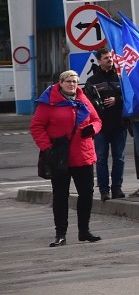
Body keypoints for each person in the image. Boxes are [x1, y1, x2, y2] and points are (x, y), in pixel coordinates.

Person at [30, 70, 103, 246]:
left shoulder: (82, 98)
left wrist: (92, 128)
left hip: (83, 154)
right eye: (69, 81)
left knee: (86, 194)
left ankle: (84, 231)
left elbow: (97, 119)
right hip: (59, 156)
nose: (72, 85)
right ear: (60, 83)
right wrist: (47, 148)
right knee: (61, 196)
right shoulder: (48, 103)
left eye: (75, 81)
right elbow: (36, 127)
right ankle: (60, 234)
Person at [84, 48, 126, 201]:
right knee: (101, 159)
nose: (109, 60)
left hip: (119, 125)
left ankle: (117, 188)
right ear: (99, 60)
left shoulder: (121, 77)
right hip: (101, 126)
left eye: (111, 57)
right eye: (106, 57)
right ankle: (103, 190)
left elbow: (129, 96)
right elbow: (87, 103)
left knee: (119, 159)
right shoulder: (92, 81)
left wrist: (117, 100)